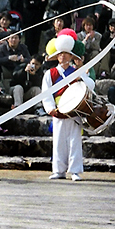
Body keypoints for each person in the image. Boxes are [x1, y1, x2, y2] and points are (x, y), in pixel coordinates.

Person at [41, 32, 92, 181]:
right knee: (58, 141)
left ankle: (75, 171)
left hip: (75, 110)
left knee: (75, 140)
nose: (63, 57)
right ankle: (58, 170)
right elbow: (46, 93)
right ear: (57, 56)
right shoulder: (50, 73)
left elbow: (90, 86)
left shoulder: (76, 72)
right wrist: (51, 109)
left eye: (66, 54)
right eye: (60, 54)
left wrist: (80, 74)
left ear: (71, 56)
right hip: (58, 110)